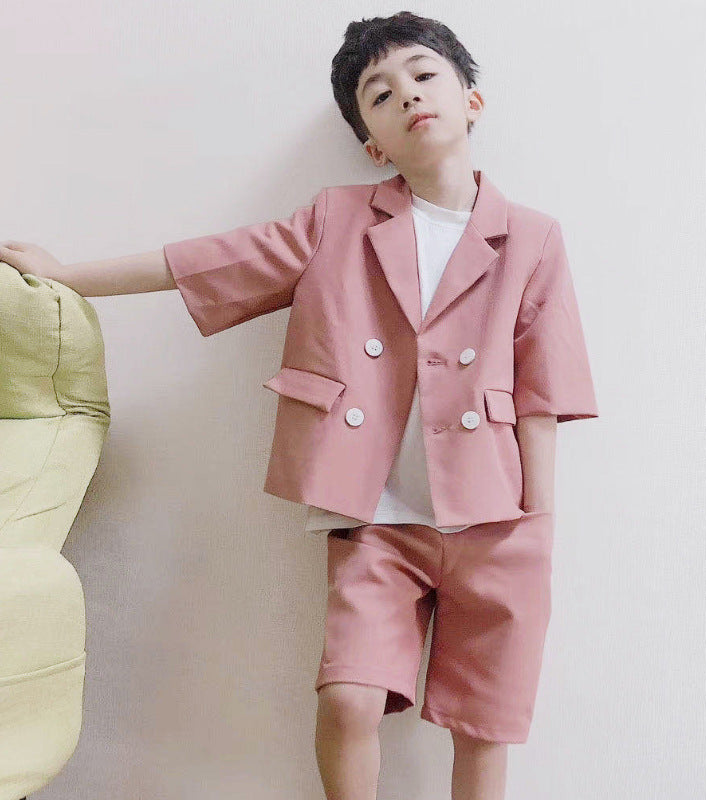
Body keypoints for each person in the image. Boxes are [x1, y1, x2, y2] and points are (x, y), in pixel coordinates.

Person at [1, 11, 598, 800]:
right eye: (379, 94)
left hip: (497, 521)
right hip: (376, 522)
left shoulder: (532, 237)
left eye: (424, 75)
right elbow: (217, 260)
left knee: (483, 725)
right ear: (372, 144)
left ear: (472, 102)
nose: (407, 95)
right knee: (349, 698)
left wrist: (538, 525)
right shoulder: (338, 218)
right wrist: (70, 274)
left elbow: (544, 389)